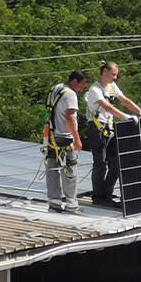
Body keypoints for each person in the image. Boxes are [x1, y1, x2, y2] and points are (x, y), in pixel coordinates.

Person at [86, 61, 141, 207]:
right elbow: (107, 106)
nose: (115, 77)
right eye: (113, 74)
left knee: (116, 163)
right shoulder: (95, 90)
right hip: (97, 130)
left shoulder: (111, 87)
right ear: (105, 72)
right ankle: (98, 197)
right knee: (100, 164)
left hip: (110, 129)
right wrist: (125, 116)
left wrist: (140, 112)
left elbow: (124, 100)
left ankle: (107, 195)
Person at [44, 70, 89, 214]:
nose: (82, 90)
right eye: (82, 86)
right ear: (75, 81)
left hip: (51, 136)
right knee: (70, 170)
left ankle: (54, 204)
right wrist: (77, 139)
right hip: (65, 137)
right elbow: (70, 118)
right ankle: (71, 205)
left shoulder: (55, 89)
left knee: (52, 169)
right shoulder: (70, 94)